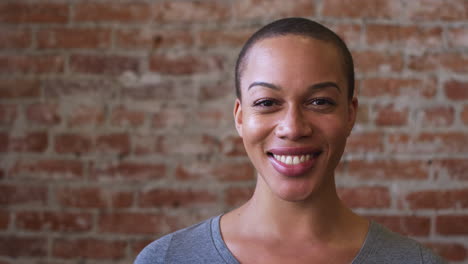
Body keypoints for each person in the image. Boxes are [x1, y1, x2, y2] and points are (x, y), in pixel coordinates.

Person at [134, 17, 445, 264]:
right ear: (240, 117)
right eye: (267, 102)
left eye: (320, 102)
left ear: (350, 114)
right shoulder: (167, 259)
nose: (293, 128)